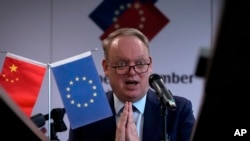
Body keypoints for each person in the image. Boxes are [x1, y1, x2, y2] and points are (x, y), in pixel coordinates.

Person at [68, 28, 195, 141]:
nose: (132, 72)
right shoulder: (87, 114)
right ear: (106, 67)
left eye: (140, 63)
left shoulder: (178, 111)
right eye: (122, 64)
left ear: (150, 65)